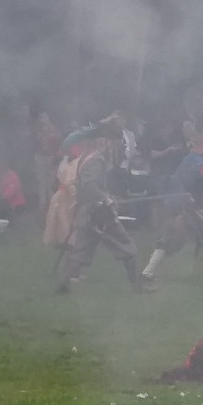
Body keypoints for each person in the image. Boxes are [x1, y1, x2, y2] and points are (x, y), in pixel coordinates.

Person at [58, 124, 152, 294]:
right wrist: (105, 198)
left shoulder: (88, 157)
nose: (115, 145)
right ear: (103, 141)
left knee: (80, 252)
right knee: (127, 247)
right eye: (114, 141)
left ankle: (62, 287)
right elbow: (90, 185)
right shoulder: (96, 159)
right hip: (100, 213)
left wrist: (108, 195)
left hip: (88, 212)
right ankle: (137, 287)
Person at [140, 133, 203, 286]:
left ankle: (147, 273)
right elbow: (200, 173)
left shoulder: (195, 159)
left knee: (170, 240)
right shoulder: (193, 160)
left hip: (187, 206)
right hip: (189, 208)